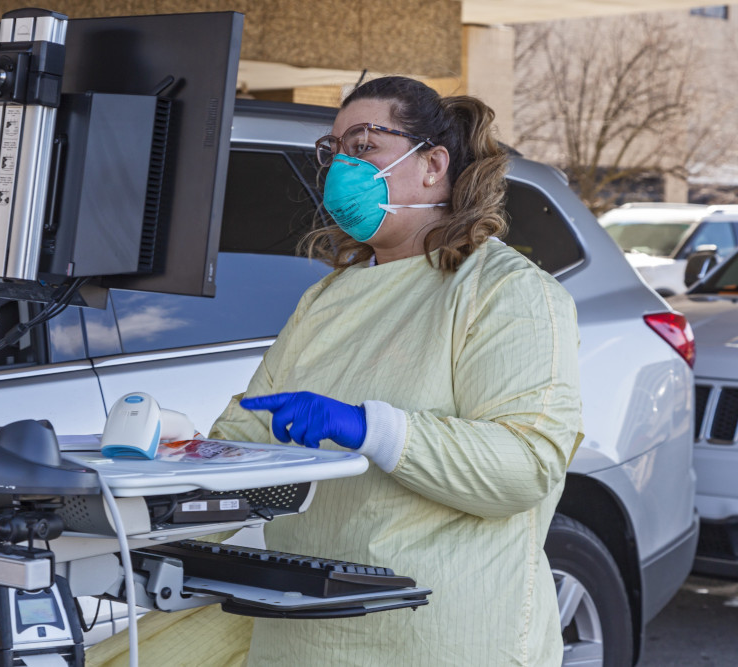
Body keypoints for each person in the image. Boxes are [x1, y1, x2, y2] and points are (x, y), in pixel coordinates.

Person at [202, 76, 582, 666]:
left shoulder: (506, 293)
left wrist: (372, 429)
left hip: (434, 636)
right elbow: (248, 439)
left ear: (433, 164)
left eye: (362, 146)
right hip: (304, 627)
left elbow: (525, 467)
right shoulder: (329, 298)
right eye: (332, 152)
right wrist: (154, 484)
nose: (337, 170)